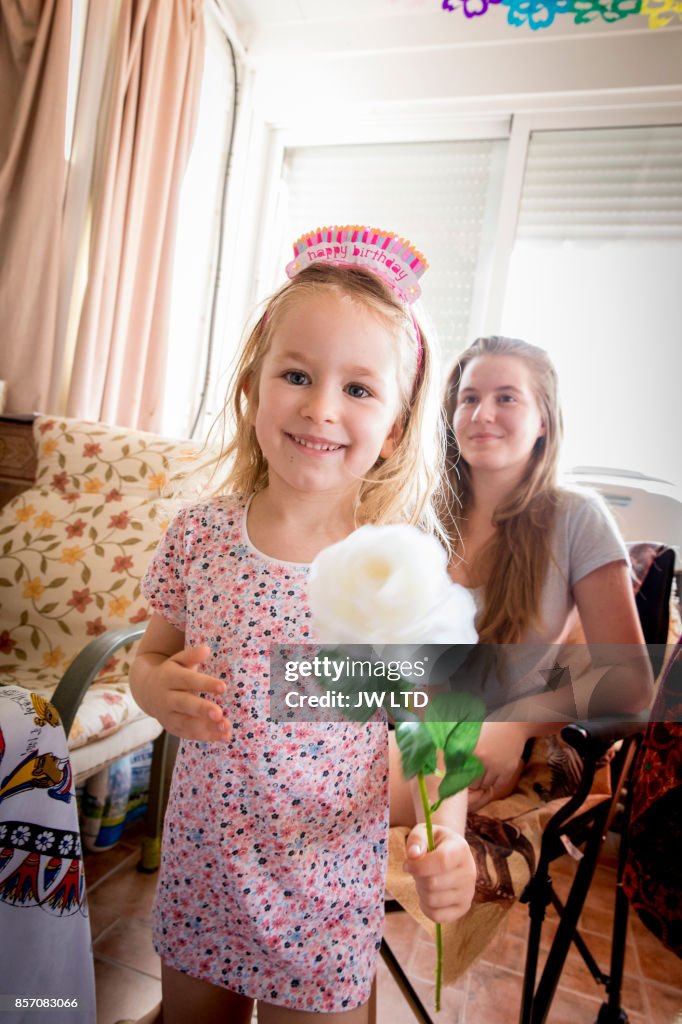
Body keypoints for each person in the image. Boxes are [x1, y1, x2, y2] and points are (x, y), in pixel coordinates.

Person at [130, 226, 476, 1024]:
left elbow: (442, 728)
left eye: (359, 389)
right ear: (254, 386)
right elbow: (149, 658)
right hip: (204, 866)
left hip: (321, 886)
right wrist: (156, 689)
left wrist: (448, 834)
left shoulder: (401, 567)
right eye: (297, 374)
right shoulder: (200, 537)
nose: (321, 407)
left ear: (393, 427)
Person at [442, 335, 652, 811]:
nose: (482, 415)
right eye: (469, 398)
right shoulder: (419, 513)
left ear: (543, 421)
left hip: (470, 750)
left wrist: (515, 724)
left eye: (506, 398)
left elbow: (631, 682)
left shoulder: (578, 517)